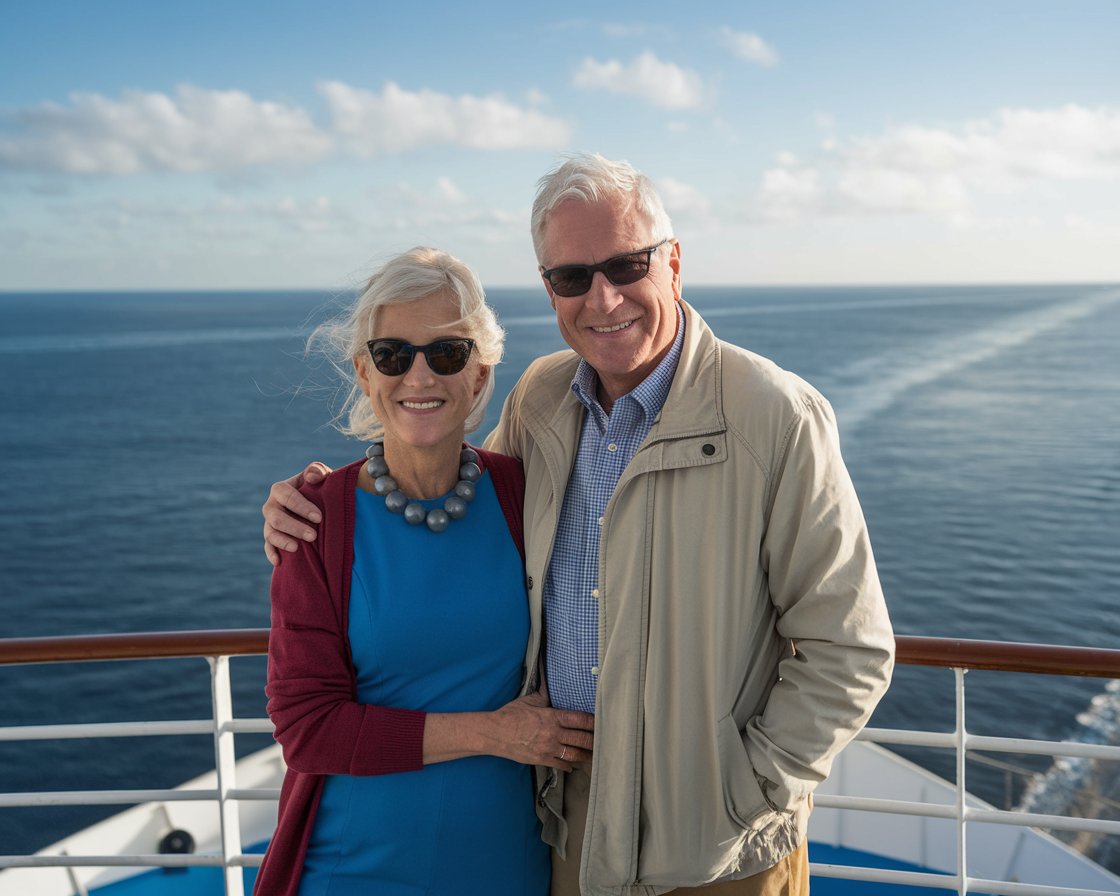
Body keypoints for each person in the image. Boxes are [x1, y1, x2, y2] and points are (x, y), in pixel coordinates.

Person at [263, 155, 895, 896]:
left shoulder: (774, 416)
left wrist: (744, 795)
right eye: (572, 277)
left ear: (675, 264)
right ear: (549, 290)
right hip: (571, 827)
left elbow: (848, 649)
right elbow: (432, 490)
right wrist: (316, 497)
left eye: (627, 266)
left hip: (717, 848)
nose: (604, 297)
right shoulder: (543, 403)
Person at [254, 246, 595, 896]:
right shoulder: (317, 521)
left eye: (446, 353)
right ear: (364, 372)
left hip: (505, 868)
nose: (419, 376)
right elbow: (308, 730)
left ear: (480, 374)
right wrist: (497, 733)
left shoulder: (525, 494)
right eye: (392, 355)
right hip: (356, 871)